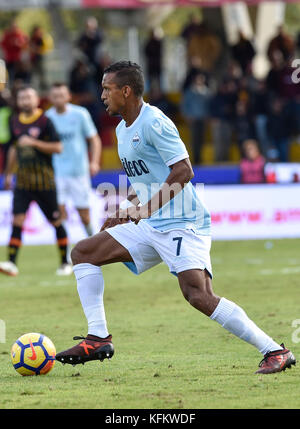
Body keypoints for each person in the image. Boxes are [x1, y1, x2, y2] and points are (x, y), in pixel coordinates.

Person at [55, 61, 296, 374]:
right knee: (83, 253)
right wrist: (126, 207)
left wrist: (144, 210)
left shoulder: (155, 122)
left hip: (183, 222)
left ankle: (276, 350)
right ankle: (98, 338)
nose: (102, 95)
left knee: (198, 295)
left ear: (125, 91)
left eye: (107, 88)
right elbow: (145, 179)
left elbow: (183, 170)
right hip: (150, 224)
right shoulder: (121, 129)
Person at [0, 86, 72, 277]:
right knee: (17, 220)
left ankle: (65, 262)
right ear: (18, 101)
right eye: (22, 98)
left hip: (44, 182)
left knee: (56, 220)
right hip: (23, 182)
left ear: (36, 100)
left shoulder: (45, 121)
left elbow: (58, 147)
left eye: (29, 97)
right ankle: (11, 263)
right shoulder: (13, 121)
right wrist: (8, 174)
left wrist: (34, 143)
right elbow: (14, 149)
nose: (25, 101)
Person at [46, 83, 102, 238]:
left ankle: (94, 245)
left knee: (84, 216)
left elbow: (94, 139)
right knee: (60, 214)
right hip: (56, 173)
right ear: (50, 98)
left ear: (68, 96)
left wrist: (95, 162)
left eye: (61, 95)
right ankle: (66, 254)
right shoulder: (47, 118)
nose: (58, 99)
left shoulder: (80, 114)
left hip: (78, 171)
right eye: (55, 96)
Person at [181, 72, 211, 164]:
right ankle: (195, 158)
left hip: (202, 119)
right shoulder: (189, 92)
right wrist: (187, 115)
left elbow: (209, 105)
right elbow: (184, 105)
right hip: (193, 119)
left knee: (201, 140)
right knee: (194, 140)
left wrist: (208, 116)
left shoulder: (207, 92)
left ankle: (200, 158)